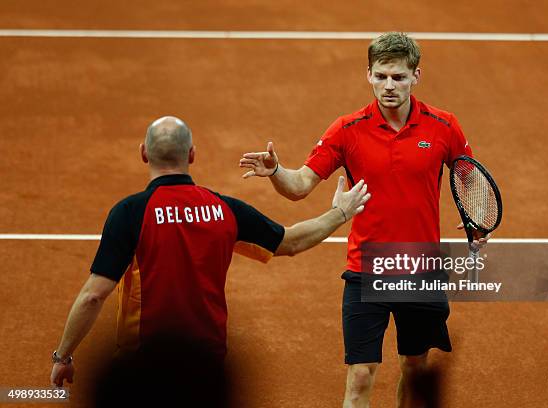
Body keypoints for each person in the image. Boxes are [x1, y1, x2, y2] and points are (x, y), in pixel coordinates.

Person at [239, 32, 490, 407]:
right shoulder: (347, 130)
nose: (389, 86)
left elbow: (470, 179)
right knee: (359, 374)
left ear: (415, 76)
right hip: (365, 268)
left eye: (399, 77)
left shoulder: (443, 125)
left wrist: (477, 222)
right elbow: (300, 186)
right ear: (368, 74)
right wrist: (276, 171)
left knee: (414, 366)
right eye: (381, 76)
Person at [49, 116, 371, 400]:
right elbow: (290, 241)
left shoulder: (129, 213)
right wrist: (339, 212)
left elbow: (93, 295)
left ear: (144, 153)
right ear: (192, 155)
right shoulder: (224, 209)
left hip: (144, 363)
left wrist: (63, 356)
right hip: (207, 363)